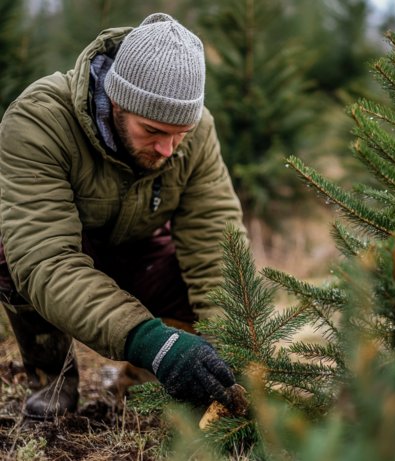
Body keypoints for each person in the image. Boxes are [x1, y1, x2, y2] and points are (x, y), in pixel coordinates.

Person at [0, 13, 245, 419]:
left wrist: (234, 349)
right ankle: (53, 384)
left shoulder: (199, 131)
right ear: (116, 101)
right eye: (152, 131)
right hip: (63, 252)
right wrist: (150, 340)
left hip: (138, 250)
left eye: (180, 134)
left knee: (189, 278)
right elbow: (44, 257)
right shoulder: (38, 121)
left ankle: (142, 390)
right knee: (9, 257)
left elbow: (216, 240)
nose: (169, 149)